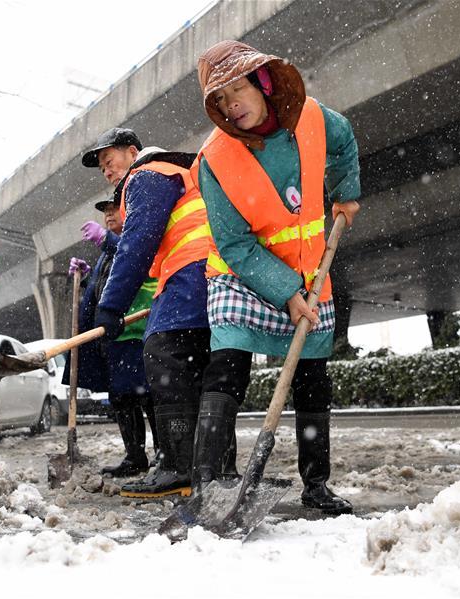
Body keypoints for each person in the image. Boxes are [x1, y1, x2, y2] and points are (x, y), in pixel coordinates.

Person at [190, 40, 359, 514]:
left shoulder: (314, 118)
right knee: (226, 365)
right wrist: (285, 294)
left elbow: (343, 142)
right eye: (219, 100)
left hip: (308, 268)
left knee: (312, 376)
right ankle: (211, 483)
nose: (231, 105)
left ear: (263, 81)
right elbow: (235, 244)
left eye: (237, 90)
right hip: (241, 274)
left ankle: (316, 485)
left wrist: (345, 193)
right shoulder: (214, 161)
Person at [82, 127, 213, 497]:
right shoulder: (175, 173)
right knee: (199, 373)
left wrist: (111, 305)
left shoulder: (148, 173)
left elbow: (137, 242)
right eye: (103, 168)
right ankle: (208, 468)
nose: (107, 171)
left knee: (165, 359)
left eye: (110, 161)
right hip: (206, 273)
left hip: (192, 273)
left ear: (133, 151)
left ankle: (176, 467)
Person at [66, 194, 159, 476]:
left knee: (146, 396)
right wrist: (87, 275)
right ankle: (135, 456)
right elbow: (108, 284)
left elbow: (136, 261)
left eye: (114, 210)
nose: (108, 215)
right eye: (105, 211)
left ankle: (165, 455)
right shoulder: (110, 251)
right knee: (121, 397)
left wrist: (107, 239)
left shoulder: (137, 239)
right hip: (114, 334)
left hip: (135, 330)